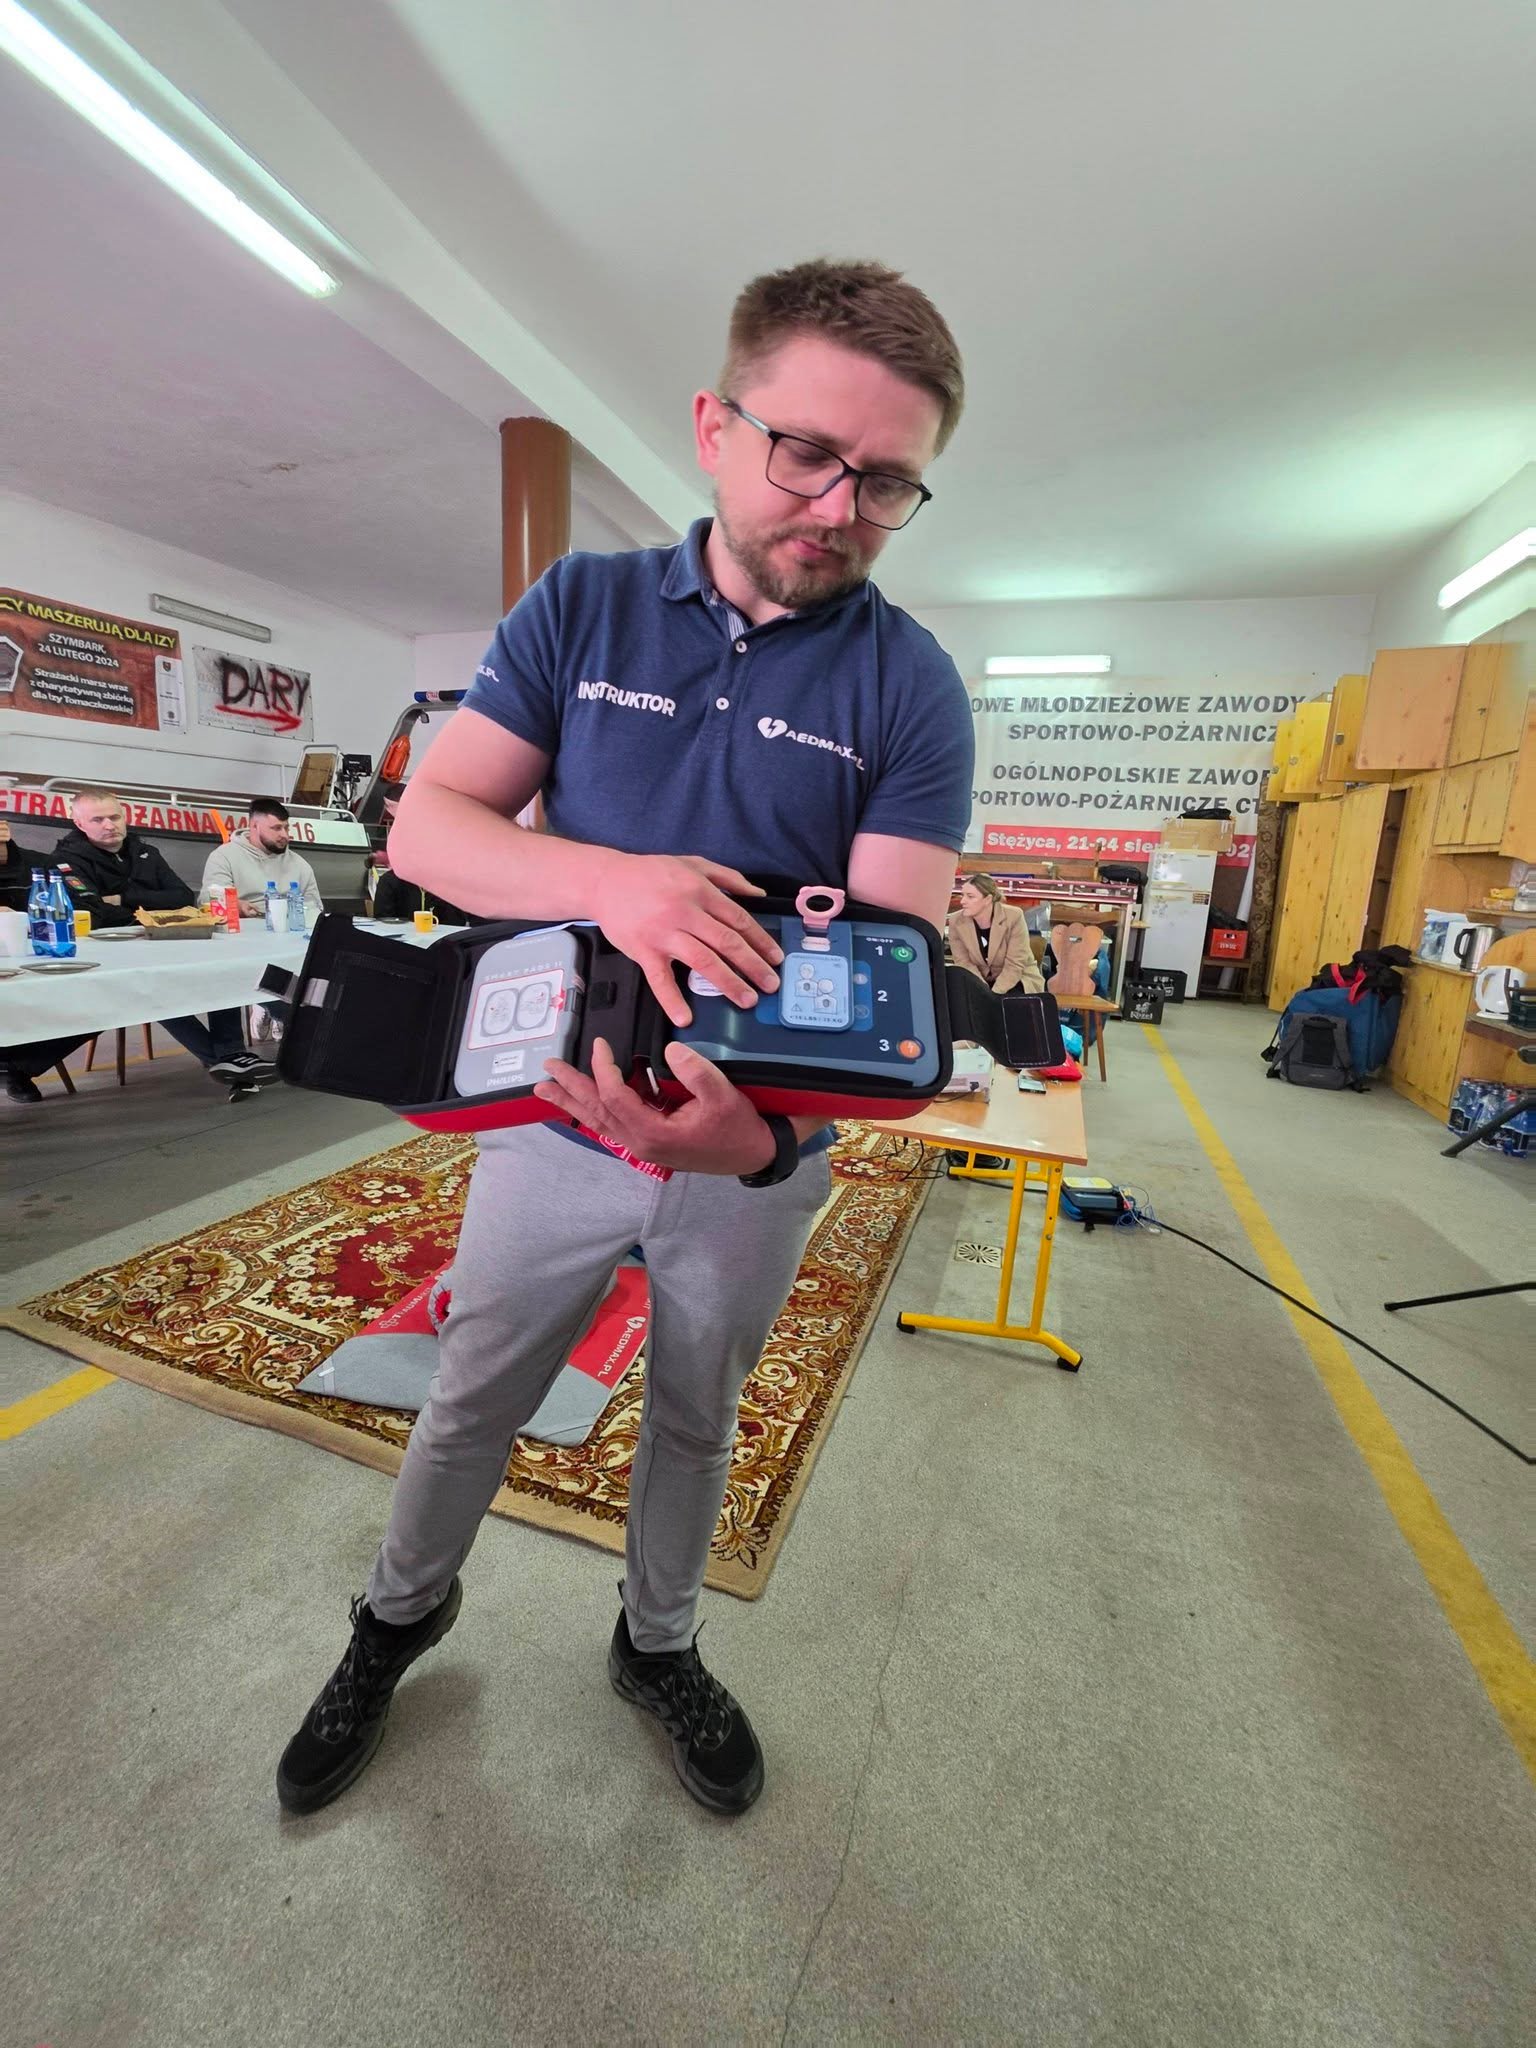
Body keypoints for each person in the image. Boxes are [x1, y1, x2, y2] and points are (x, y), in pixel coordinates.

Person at [277, 257, 974, 1820]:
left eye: (886, 482)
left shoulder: (912, 686)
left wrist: (764, 1145)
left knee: (696, 1412)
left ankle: (658, 1645)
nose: (839, 506)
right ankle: (396, 1618)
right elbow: (431, 830)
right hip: (556, 1112)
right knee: (474, 1388)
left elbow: (890, 984)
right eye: (807, 452)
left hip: (748, 1154)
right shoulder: (582, 607)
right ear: (716, 428)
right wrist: (615, 883)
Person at [53, 791, 276, 1088]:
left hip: (165, 941)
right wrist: (152, 908)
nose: (109, 825)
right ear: (79, 823)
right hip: (116, 951)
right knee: (155, 992)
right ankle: (227, 1058)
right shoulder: (66, 861)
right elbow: (95, 913)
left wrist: (123, 898)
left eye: (115, 817)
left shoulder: (146, 852)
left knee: (220, 967)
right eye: (98, 819)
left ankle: (230, 1057)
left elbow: (182, 897)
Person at [199, 797, 324, 919]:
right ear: (255, 826)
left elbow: (315, 908)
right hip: (241, 929)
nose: (285, 835)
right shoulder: (223, 857)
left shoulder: (300, 865)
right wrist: (237, 906)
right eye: (276, 828)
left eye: (286, 828)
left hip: (290, 929)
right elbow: (207, 900)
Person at [948, 873, 1044, 994]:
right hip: (978, 980)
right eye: (962, 895)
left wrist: (995, 994)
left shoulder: (1014, 916)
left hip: (1017, 977)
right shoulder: (955, 921)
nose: (962, 901)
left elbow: (1015, 963)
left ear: (987, 899)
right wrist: (982, 991)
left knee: (1009, 999)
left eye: (970, 897)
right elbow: (963, 963)